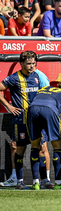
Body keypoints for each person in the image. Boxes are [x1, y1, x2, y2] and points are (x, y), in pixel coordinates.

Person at [0, 51, 46, 189]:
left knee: (40, 148)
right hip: (21, 120)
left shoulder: (37, 76)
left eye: (33, 63)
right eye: (28, 64)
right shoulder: (14, 78)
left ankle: (39, 180)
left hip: (36, 120)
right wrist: (8, 105)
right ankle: (19, 181)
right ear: (21, 64)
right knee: (20, 149)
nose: (31, 66)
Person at [27, 81, 61, 190]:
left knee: (35, 146)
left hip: (32, 109)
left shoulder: (44, 89)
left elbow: (34, 101)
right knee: (57, 146)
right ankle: (58, 183)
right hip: (49, 110)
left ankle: (35, 182)